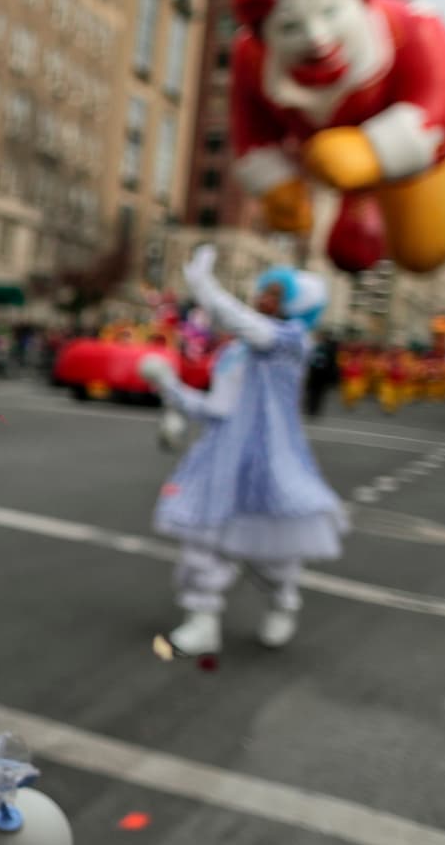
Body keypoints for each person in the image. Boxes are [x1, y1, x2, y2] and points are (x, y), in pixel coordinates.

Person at [230, 0, 445, 274]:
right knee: (348, 253)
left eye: (331, 11)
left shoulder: (418, 28)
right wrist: (276, 183)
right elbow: (251, 131)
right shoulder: (252, 59)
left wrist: (373, 151)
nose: (317, 39)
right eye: (289, 27)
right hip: (330, 161)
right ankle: (363, 207)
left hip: (429, 149)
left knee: (421, 253)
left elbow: (438, 106)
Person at [138, 245, 347, 655]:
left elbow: (244, 323)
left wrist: (205, 287)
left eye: (274, 293)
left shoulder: (291, 343)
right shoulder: (235, 352)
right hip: (219, 458)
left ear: (294, 306)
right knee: (202, 540)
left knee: (273, 548)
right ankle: (202, 621)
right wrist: (167, 385)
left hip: (269, 460)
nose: (262, 296)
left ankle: (283, 603)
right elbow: (215, 410)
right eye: (264, 289)